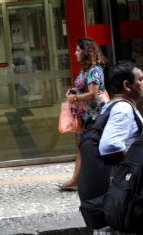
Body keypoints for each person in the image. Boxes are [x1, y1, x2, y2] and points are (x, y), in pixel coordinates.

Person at [77, 60, 143, 233]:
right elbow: (110, 146)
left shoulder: (112, 106)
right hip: (118, 200)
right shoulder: (123, 108)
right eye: (141, 79)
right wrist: (142, 158)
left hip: (111, 201)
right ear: (127, 85)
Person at [59, 37, 108, 191]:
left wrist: (74, 97)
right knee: (81, 146)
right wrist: (75, 91)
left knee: (88, 147)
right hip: (86, 115)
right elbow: (85, 89)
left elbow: (93, 94)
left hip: (94, 116)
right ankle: (77, 179)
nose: (75, 53)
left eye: (78, 50)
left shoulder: (94, 70)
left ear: (86, 52)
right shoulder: (86, 70)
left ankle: (84, 180)